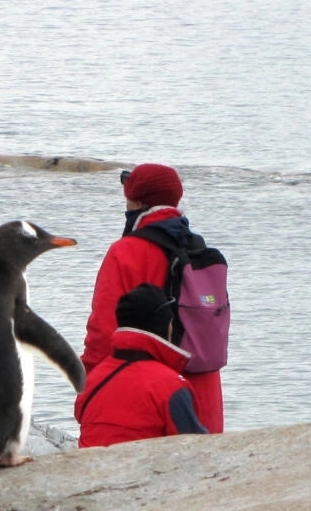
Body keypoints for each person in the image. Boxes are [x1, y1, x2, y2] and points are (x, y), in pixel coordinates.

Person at [81, 163, 224, 433]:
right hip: (205, 393)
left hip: (148, 396)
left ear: (135, 200)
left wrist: (89, 383)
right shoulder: (200, 252)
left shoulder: (125, 252)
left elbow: (103, 331)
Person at [75, 283, 208, 447]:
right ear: (165, 326)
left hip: (89, 468)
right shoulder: (171, 386)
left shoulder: (91, 381)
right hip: (143, 470)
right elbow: (196, 448)